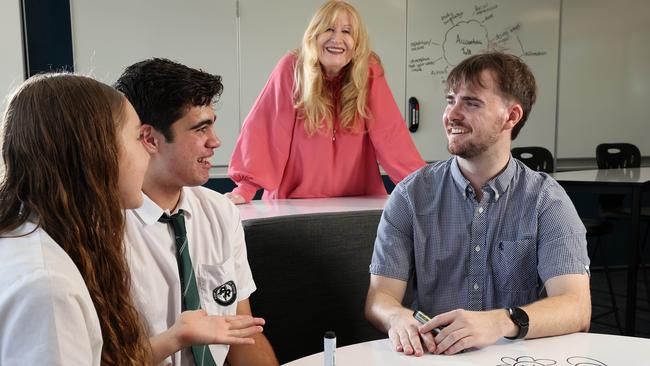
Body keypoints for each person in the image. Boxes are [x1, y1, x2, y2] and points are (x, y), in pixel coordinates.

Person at [365, 53, 591, 356]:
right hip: (434, 358)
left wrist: (501, 322)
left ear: (511, 116)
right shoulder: (410, 196)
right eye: (450, 100)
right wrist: (397, 316)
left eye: (471, 103)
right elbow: (379, 298)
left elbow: (576, 307)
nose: (451, 114)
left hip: (515, 357)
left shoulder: (546, 201)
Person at [115, 58, 279, 366]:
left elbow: (242, 334)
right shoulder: (105, 227)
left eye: (212, 124)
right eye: (200, 129)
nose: (215, 141)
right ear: (149, 139)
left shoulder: (220, 213)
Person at [0, 74, 151, 365]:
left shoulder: (25, 237)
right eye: (137, 137)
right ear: (96, 151)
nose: (148, 152)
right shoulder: (47, 286)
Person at [226, 0, 425, 204]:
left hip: (357, 202)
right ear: (314, 36)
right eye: (329, 29)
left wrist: (425, 189)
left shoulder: (368, 71)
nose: (337, 39)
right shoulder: (292, 68)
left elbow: (390, 133)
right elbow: (265, 129)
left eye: (347, 32)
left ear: (357, 42)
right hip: (293, 203)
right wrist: (246, 188)